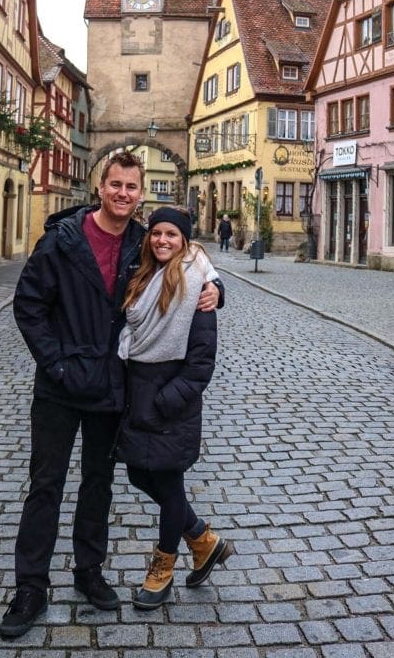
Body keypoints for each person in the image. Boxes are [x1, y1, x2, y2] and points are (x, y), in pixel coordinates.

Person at [0, 154, 222, 639]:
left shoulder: (145, 243)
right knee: (46, 486)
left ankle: (88, 571)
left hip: (109, 387)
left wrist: (217, 287)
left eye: (131, 186)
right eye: (115, 184)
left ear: (140, 194)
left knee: (98, 482)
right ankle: (31, 587)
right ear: (99, 187)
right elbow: (29, 305)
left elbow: (193, 256)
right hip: (59, 387)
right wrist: (55, 363)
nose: (123, 193)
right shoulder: (62, 240)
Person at [116, 206, 233, 610]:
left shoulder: (198, 285)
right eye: (157, 233)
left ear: (185, 241)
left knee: (168, 487)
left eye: (172, 235)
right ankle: (203, 540)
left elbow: (201, 363)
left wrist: (168, 400)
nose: (163, 240)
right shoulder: (142, 273)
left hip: (169, 402)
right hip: (137, 393)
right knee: (137, 474)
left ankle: (162, 568)